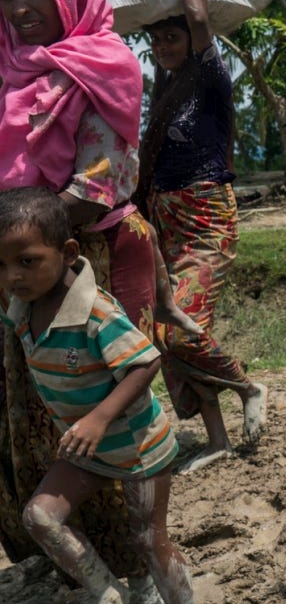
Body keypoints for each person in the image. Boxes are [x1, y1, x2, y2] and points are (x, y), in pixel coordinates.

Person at [0, 0, 190, 593]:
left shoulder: (105, 64)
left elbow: (96, 185)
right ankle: (77, 566)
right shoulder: (9, 65)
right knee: (34, 406)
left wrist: (20, 239)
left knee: (101, 391)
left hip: (84, 250)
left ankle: (135, 563)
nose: (19, 6)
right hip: (19, 261)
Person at [0, 187, 194, 604]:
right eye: (1, 266)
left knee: (149, 540)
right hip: (88, 452)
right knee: (40, 518)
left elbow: (145, 362)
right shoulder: (21, 307)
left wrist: (98, 419)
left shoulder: (95, 312)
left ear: (68, 253)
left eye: (26, 261)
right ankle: (107, 593)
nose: (13, 276)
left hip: (138, 448)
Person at [137, 0, 267, 474]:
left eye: (173, 37)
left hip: (206, 221)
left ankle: (247, 383)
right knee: (168, 337)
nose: (164, 47)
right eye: (157, 40)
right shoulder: (163, 92)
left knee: (178, 330)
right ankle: (217, 440)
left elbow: (196, 14)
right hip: (166, 225)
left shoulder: (210, 80)